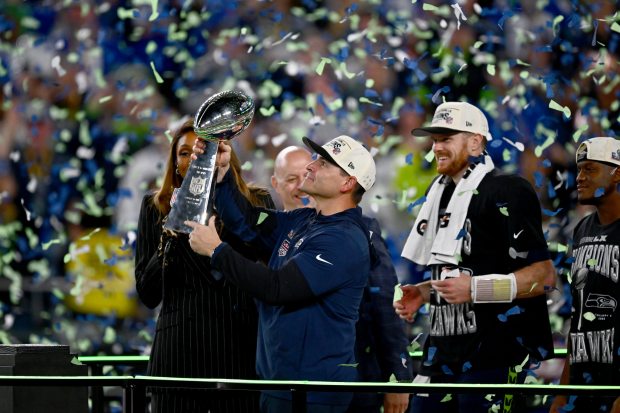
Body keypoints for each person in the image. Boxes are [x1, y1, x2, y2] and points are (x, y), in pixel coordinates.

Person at [187, 135, 377, 413]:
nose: (311, 166)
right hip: (281, 383)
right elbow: (248, 221)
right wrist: (223, 173)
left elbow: (277, 288)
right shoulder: (305, 219)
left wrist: (217, 251)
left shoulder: (343, 239)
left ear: (347, 183)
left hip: (314, 391)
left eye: (323, 163)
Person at [393, 101, 556, 413]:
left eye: (446, 138)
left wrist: (474, 289)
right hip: (441, 355)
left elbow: (543, 277)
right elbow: (464, 271)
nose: (437, 147)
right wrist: (426, 292)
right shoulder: (439, 192)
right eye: (435, 139)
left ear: (475, 141)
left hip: (492, 358)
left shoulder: (507, 189)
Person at [134, 118, 274, 413]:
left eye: (202, 149)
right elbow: (148, 295)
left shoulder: (257, 201)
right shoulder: (155, 207)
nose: (194, 157)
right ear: (174, 164)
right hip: (179, 359)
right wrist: (170, 234)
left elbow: (267, 269)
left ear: (223, 154)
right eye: (184, 153)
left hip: (241, 356)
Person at [271, 145, 413, 413]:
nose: (301, 185)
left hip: (349, 382)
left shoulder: (358, 231)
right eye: (291, 179)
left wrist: (398, 378)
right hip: (280, 382)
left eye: (306, 174)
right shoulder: (271, 235)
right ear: (275, 185)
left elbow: (384, 305)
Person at [549, 137, 620, 413]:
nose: (579, 177)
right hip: (582, 383)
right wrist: (563, 392)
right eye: (579, 169)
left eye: (590, 169)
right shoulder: (582, 229)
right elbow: (577, 318)